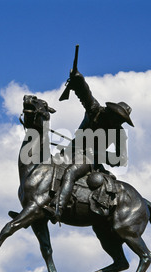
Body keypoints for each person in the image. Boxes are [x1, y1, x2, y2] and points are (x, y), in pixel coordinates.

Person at [55, 70, 134, 219]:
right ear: (112, 112)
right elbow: (86, 95)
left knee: (70, 173)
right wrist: (78, 80)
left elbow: (121, 159)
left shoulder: (119, 133)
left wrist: (95, 154)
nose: (119, 122)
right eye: (119, 118)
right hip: (70, 152)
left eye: (122, 121)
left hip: (89, 160)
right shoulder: (96, 111)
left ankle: (57, 209)